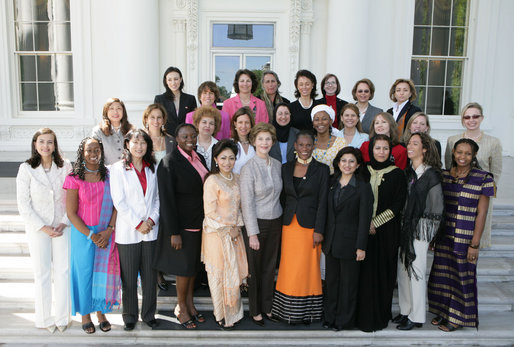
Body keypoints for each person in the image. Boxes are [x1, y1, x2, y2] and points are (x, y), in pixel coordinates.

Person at [428, 138, 495, 332]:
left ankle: (456, 317)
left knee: (461, 278)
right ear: (453, 153)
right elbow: (438, 207)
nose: (462, 157)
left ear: (474, 156)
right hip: (444, 234)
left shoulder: (483, 178)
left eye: (467, 153)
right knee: (442, 276)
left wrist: (475, 244)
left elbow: (482, 213)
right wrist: (434, 236)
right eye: (459, 152)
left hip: (465, 237)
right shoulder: (445, 175)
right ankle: (443, 311)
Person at [16, 128, 72, 333]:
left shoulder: (65, 166)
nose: (46, 146)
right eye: (42, 142)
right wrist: (43, 227)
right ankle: (45, 318)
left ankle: (62, 317)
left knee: (63, 271)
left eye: (50, 142)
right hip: (38, 228)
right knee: (42, 273)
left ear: (55, 145)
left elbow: (72, 196)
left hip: (62, 226)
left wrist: (65, 221)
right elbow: (23, 204)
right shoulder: (26, 169)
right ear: (35, 144)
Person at [153, 123, 208, 329]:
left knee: (193, 267)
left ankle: (190, 304)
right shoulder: (169, 162)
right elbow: (166, 200)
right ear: (176, 138)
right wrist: (174, 232)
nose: (190, 139)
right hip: (182, 226)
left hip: (199, 222)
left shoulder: (199, 158)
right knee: (183, 269)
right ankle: (181, 308)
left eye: (193, 136)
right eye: (185, 136)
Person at [63, 137, 121, 334]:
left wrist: (109, 230)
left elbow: (117, 205)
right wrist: (91, 235)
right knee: (84, 274)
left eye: (97, 149)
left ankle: (100, 312)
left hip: (106, 233)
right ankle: (85, 315)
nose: (94, 153)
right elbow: (71, 213)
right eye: (89, 150)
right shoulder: (74, 178)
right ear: (82, 153)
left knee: (100, 276)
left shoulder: (109, 176)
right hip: (83, 235)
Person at [271, 131, 329, 324]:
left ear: (313, 146)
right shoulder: (285, 168)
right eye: (301, 145)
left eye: (308, 145)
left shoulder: (321, 170)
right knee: (288, 268)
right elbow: (282, 197)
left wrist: (319, 230)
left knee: (308, 269)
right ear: (294, 146)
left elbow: (323, 202)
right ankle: (285, 311)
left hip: (310, 228)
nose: (304, 149)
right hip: (288, 226)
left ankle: (308, 313)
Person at [356, 134, 407, 332]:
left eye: (385, 148)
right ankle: (361, 316)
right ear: (371, 150)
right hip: (362, 231)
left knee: (383, 274)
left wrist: (375, 222)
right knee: (364, 275)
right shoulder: (362, 171)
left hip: (387, 233)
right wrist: (365, 223)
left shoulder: (397, 174)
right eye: (378, 148)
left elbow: (397, 205)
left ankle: (380, 316)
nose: (381, 152)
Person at [110, 129, 160, 331]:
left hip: (150, 231)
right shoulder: (117, 169)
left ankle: (149, 314)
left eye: (143, 143)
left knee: (150, 276)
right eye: (135, 143)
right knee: (129, 277)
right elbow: (119, 201)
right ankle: (129, 315)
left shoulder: (153, 167)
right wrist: (138, 223)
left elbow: (157, 198)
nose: (139, 147)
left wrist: (151, 220)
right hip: (129, 231)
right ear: (127, 144)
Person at [394, 132, 443, 330]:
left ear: (425, 149)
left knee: (416, 272)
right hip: (404, 227)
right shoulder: (408, 173)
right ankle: (406, 311)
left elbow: (436, 207)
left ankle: (417, 316)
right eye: (409, 143)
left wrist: (426, 233)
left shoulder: (431, 175)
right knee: (403, 271)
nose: (410, 146)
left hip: (420, 229)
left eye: (415, 143)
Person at [323, 147, 373, 331]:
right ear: (338, 162)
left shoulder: (363, 187)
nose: (347, 165)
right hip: (331, 243)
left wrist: (361, 246)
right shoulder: (331, 182)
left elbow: (364, 219)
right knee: (331, 283)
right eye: (344, 160)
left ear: (358, 164)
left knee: (348, 286)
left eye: (352, 161)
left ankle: (344, 321)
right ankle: (330, 318)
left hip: (351, 244)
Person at [201, 140, 248, 330]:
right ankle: (221, 314)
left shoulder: (237, 178)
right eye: (223, 158)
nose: (227, 162)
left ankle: (234, 313)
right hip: (216, 234)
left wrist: (237, 226)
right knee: (219, 275)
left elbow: (240, 208)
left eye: (231, 158)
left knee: (233, 273)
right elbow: (210, 212)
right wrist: (229, 228)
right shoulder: (212, 180)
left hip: (235, 234)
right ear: (215, 159)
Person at [240, 123, 283, 326]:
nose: (264, 143)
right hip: (257, 224)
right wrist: (252, 234)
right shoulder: (248, 168)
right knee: (255, 270)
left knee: (269, 268)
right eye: (261, 139)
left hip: (276, 222)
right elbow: (246, 203)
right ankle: (255, 310)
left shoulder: (276, 164)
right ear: (254, 141)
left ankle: (268, 307)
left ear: (272, 142)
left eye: (268, 139)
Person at [444, 102, 502, 248]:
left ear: (481, 118)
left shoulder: (493, 143)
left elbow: (495, 172)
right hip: (457, 197)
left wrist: (485, 191)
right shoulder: (452, 140)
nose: (471, 120)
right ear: (463, 120)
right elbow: (450, 167)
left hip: (479, 196)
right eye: (467, 117)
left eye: (475, 116)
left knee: (475, 241)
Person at [154, 66, 197, 137]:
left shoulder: (190, 99)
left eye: (176, 79)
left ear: (181, 79)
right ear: (166, 81)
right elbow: (158, 120)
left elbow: (193, 121)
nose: (173, 83)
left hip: (186, 138)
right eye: (170, 80)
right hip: (167, 137)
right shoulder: (159, 99)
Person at [91, 98, 134, 166]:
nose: (115, 112)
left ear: (123, 111)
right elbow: (95, 155)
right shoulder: (98, 131)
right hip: (108, 173)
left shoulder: (131, 130)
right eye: (111, 108)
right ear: (106, 111)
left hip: (128, 172)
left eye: (118, 108)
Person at [311, 104, 346, 175]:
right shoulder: (308, 142)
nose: (320, 122)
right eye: (316, 119)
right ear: (313, 123)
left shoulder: (341, 143)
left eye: (324, 119)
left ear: (330, 121)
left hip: (334, 182)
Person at [192, 106, 221, 170]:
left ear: (215, 127)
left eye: (211, 123)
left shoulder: (219, 146)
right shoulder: (190, 145)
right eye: (204, 122)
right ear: (197, 124)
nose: (207, 126)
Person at [231, 107, 256, 174]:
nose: (243, 126)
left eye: (247, 122)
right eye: (240, 122)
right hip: (235, 183)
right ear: (235, 124)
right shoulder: (230, 145)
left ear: (251, 124)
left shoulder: (256, 144)